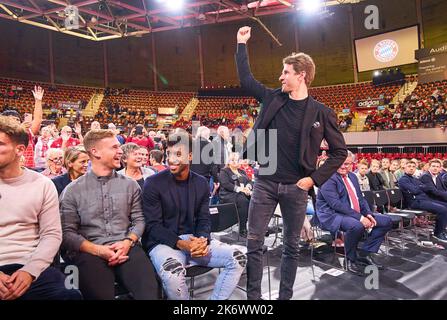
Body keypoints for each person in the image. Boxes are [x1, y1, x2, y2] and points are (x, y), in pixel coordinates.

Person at [236, 26, 347, 300]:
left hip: (297, 187)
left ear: (302, 76)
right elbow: (246, 80)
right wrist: (241, 44)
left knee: (291, 247)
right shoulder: (273, 98)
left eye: (285, 72)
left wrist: (313, 180)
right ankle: (254, 299)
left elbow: (339, 152)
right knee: (253, 243)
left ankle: (284, 297)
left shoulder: (322, 112)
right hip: (265, 182)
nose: (280, 77)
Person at [142, 131, 246, 300]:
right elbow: (153, 226)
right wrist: (182, 244)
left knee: (238, 259)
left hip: (194, 240)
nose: (171, 159)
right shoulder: (152, 183)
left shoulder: (201, 183)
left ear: (190, 156)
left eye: (178, 154)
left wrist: (203, 239)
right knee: (173, 274)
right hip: (164, 243)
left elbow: (204, 219)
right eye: (169, 154)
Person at [60, 129, 158, 300]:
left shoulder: (131, 186)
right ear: (95, 152)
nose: (120, 151)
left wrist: (128, 241)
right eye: (114, 147)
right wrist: (98, 250)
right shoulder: (72, 191)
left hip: (126, 247)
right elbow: (67, 233)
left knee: (150, 293)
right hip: (89, 251)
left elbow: (139, 220)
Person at [0, 116, 81, 300]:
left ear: (20, 149)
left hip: (30, 264)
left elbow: (51, 234)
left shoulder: (42, 184)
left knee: (70, 295)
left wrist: (30, 271)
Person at [316, 153, 393, 276]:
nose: (343, 166)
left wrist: (368, 214)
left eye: (347, 164)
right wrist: (360, 218)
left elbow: (360, 198)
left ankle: (365, 254)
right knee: (356, 225)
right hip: (331, 215)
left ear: (352, 164)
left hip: (351, 213)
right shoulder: (328, 177)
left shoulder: (352, 176)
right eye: (340, 163)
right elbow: (335, 204)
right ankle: (350, 259)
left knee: (386, 221)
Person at [399, 160, 447, 243]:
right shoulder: (403, 180)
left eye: (413, 167)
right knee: (442, 209)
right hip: (415, 202)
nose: (411, 168)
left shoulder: (414, 178)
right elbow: (415, 190)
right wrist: (421, 187)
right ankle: (438, 233)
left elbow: (424, 187)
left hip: (423, 199)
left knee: (445, 205)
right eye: (409, 166)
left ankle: (442, 229)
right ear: (404, 168)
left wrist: (420, 187)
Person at [1, 86, 44, 168]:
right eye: (12, 119)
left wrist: (38, 101)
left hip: (29, 169)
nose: (16, 122)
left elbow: (38, 120)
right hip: (8, 171)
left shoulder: (26, 132)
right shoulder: (2, 136)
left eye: (17, 119)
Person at [218, 152, 252, 237]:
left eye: (236, 160)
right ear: (228, 161)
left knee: (255, 199)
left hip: (242, 193)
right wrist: (241, 189)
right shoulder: (224, 171)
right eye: (232, 160)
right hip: (228, 195)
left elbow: (249, 181)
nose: (234, 162)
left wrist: (248, 187)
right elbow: (226, 184)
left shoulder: (242, 171)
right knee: (243, 200)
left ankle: (255, 227)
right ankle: (243, 229)